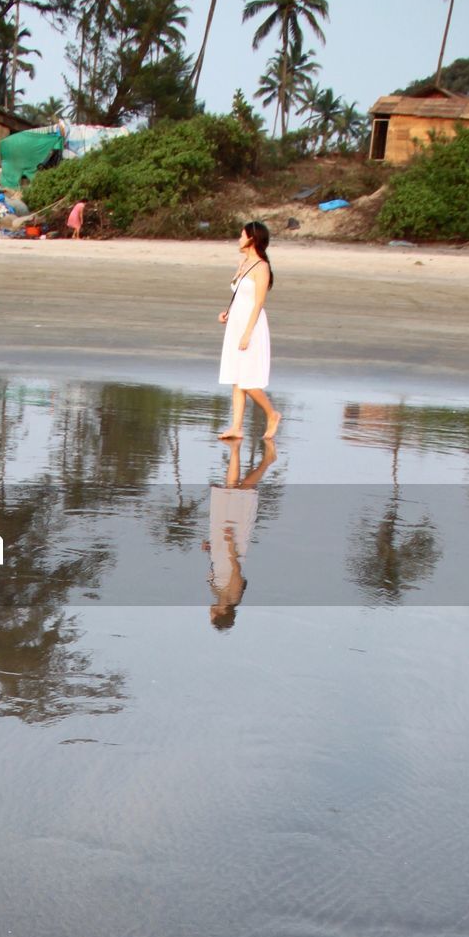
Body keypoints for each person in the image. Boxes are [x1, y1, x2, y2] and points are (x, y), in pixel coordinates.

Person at [202, 437, 277, 630]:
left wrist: (209, 549)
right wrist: (230, 543)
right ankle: (264, 460)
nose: (209, 613)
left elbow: (215, 569)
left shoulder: (218, 594)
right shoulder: (233, 597)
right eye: (212, 617)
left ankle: (236, 450)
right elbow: (235, 570)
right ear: (221, 613)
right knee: (241, 491)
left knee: (230, 491)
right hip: (232, 542)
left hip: (220, 545)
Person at [217, 221, 281, 440]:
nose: (239, 239)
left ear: (252, 239)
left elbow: (258, 302)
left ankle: (272, 414)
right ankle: (236, 427)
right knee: (237, 377)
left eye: (242, 236)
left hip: (251, 326)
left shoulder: (261, 267)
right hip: (236, 322)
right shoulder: (243, 262)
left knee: (249, 381)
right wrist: (227, 312)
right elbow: (238, 294)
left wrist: (247, 332)